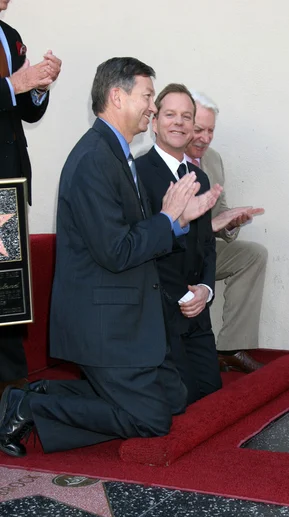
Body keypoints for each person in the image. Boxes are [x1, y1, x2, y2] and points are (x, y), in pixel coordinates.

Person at [0, 58, 219, 458]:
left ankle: (42, 391)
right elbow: (116, 251)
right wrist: (167, 220)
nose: (152, 107)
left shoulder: (116, 152)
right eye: (148, 97)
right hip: (104, 323)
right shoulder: (94, 159)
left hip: (129, 317)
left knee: (175, 397)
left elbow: (131, 237)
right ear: (117, 96)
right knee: (153, 420)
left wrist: (176, 222)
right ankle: (28, 406)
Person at [136, 84, 223, 405]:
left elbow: (206, 247)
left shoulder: (199, 178)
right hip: (162, 313)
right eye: (170, 114)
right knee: (182, 402)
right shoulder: (138, 174)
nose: (179, 123)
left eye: (187, 117)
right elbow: (143, 247)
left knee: (213, 397)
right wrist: (185, 295)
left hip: (197, 312)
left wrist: (205, 290)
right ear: (155, 120)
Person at [0, 0, 61, 394]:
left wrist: (37, 88)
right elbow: (9, 91)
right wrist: (11, 85)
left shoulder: (10, 35)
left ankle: (10, 385)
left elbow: (26, 112)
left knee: (6, 286)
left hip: (7, 183)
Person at [185, 90, 268, 373]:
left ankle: (230, 348)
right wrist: (213, 225)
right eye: (199, 129)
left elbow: (219, 210)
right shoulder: (155, 162)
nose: (205, 138)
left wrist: (232, 221)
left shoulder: (214, 159)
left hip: (205, 247)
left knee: (253, 254)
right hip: (172, 252)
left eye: (211, 131)